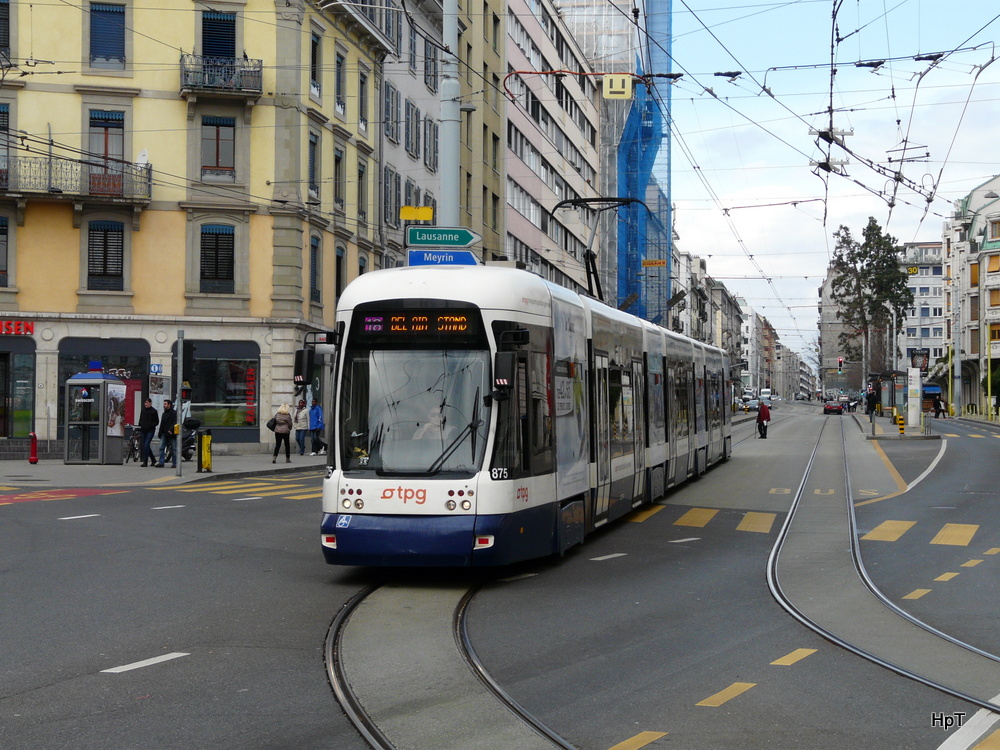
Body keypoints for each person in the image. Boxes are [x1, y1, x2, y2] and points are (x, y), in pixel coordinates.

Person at [156, 399, 178, 468]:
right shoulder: (164, 414)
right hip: (164, 433)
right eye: (164, 404)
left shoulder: (174, 413)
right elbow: (162, 424)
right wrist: (160, 433)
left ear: (169, 405)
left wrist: (171, 429)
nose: (164, 405)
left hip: (171, 433)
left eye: (165, 404)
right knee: (161, 447)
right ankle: (161, 462)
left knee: (174, 449)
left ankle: (175, 463)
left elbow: (175, 422)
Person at [138, 397, 159, 467]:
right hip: (143, 430)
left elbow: (156, 421)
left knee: (146, 444)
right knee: (145, 446)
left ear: (150, 403)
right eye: (145, 402)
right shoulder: (143, 410)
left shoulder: (154, 411)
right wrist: (140, 424)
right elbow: (141, 418)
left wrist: (150, 425)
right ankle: (153, 460)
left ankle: (145, 461)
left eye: (147, 402)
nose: (146, 404)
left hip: (150, 430)